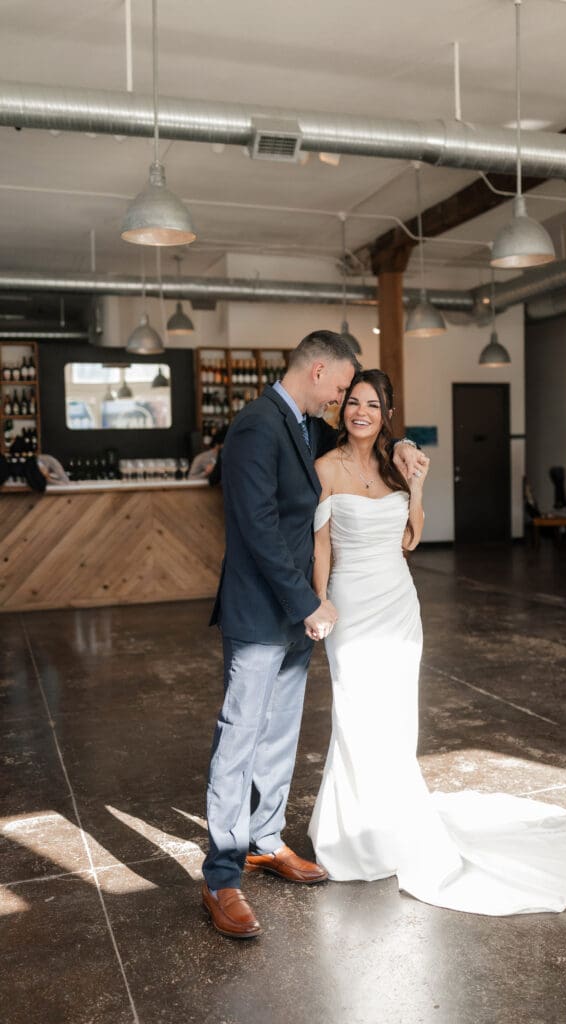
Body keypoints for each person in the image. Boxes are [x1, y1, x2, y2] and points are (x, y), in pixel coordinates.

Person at [308, 369, 566, 915]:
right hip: (351, 607)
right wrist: (320, 601)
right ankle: (351, 837)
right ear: (342, 409)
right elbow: (322, 547)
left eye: (372, 406)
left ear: (386, 415)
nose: (360, 412)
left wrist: (418, 483)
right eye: (353, 402)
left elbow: (411, 538)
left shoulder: (396, 464)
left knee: (398, 718)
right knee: (356, 714)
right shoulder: (325, 468)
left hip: (398, 604)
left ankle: (394, 825)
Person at [201, 332, 426, 940]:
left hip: (302, 613)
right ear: (321, 371)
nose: (342, 401)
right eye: (340, 388)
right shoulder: (255, 425)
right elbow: (256, 526)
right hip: (262, 612)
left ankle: (265, 841)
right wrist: (311, 602)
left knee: (279, 736)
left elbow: (366, 437)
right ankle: (222, 876)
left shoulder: (304, 425)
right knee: (240, 735)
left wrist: (402, 443)